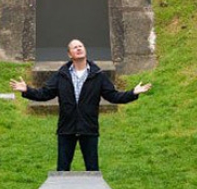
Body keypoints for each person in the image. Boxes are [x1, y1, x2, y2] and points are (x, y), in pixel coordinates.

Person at [9, 39, 152, 171]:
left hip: (89, 128)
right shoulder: (61, 75)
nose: (78, 48)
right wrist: (27, 90)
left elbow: (113, 96)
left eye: (80, 46)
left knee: (93, 170)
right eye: (74, 47)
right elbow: (44, 94)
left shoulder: (98, 75)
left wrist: (133, 93)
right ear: (69, 54)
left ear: (85, 50)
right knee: (62, 171)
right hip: (66, 129)